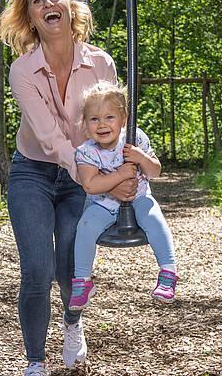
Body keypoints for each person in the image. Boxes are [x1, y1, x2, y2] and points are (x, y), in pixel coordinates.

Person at [0, 0, 138, 376]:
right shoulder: (22, 70)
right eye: (36, 0)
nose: (47, 4)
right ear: (31, 17)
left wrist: (122, 169)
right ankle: (35, 364)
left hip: (84, 174)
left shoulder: (101, 62)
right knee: (37, 271)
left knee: (71, 267)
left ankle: (73, 325)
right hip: (34, 172)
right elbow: (50, 138)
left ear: (70, 8)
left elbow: (112, 123)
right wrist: (97, 179)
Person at [67, 82, 179, 312]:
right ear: (85, 125)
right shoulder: (87, 151)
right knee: (85, 226)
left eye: (109, 117)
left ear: (124, 118)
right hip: (103, 202)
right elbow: (90, 185)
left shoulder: (134, 138)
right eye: (94, 119)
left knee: (153, 218)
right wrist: (119, 175)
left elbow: (155, 172)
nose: (102, 124)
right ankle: (82, 282)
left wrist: (140, 157)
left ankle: (168, 272)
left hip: (138, 195)